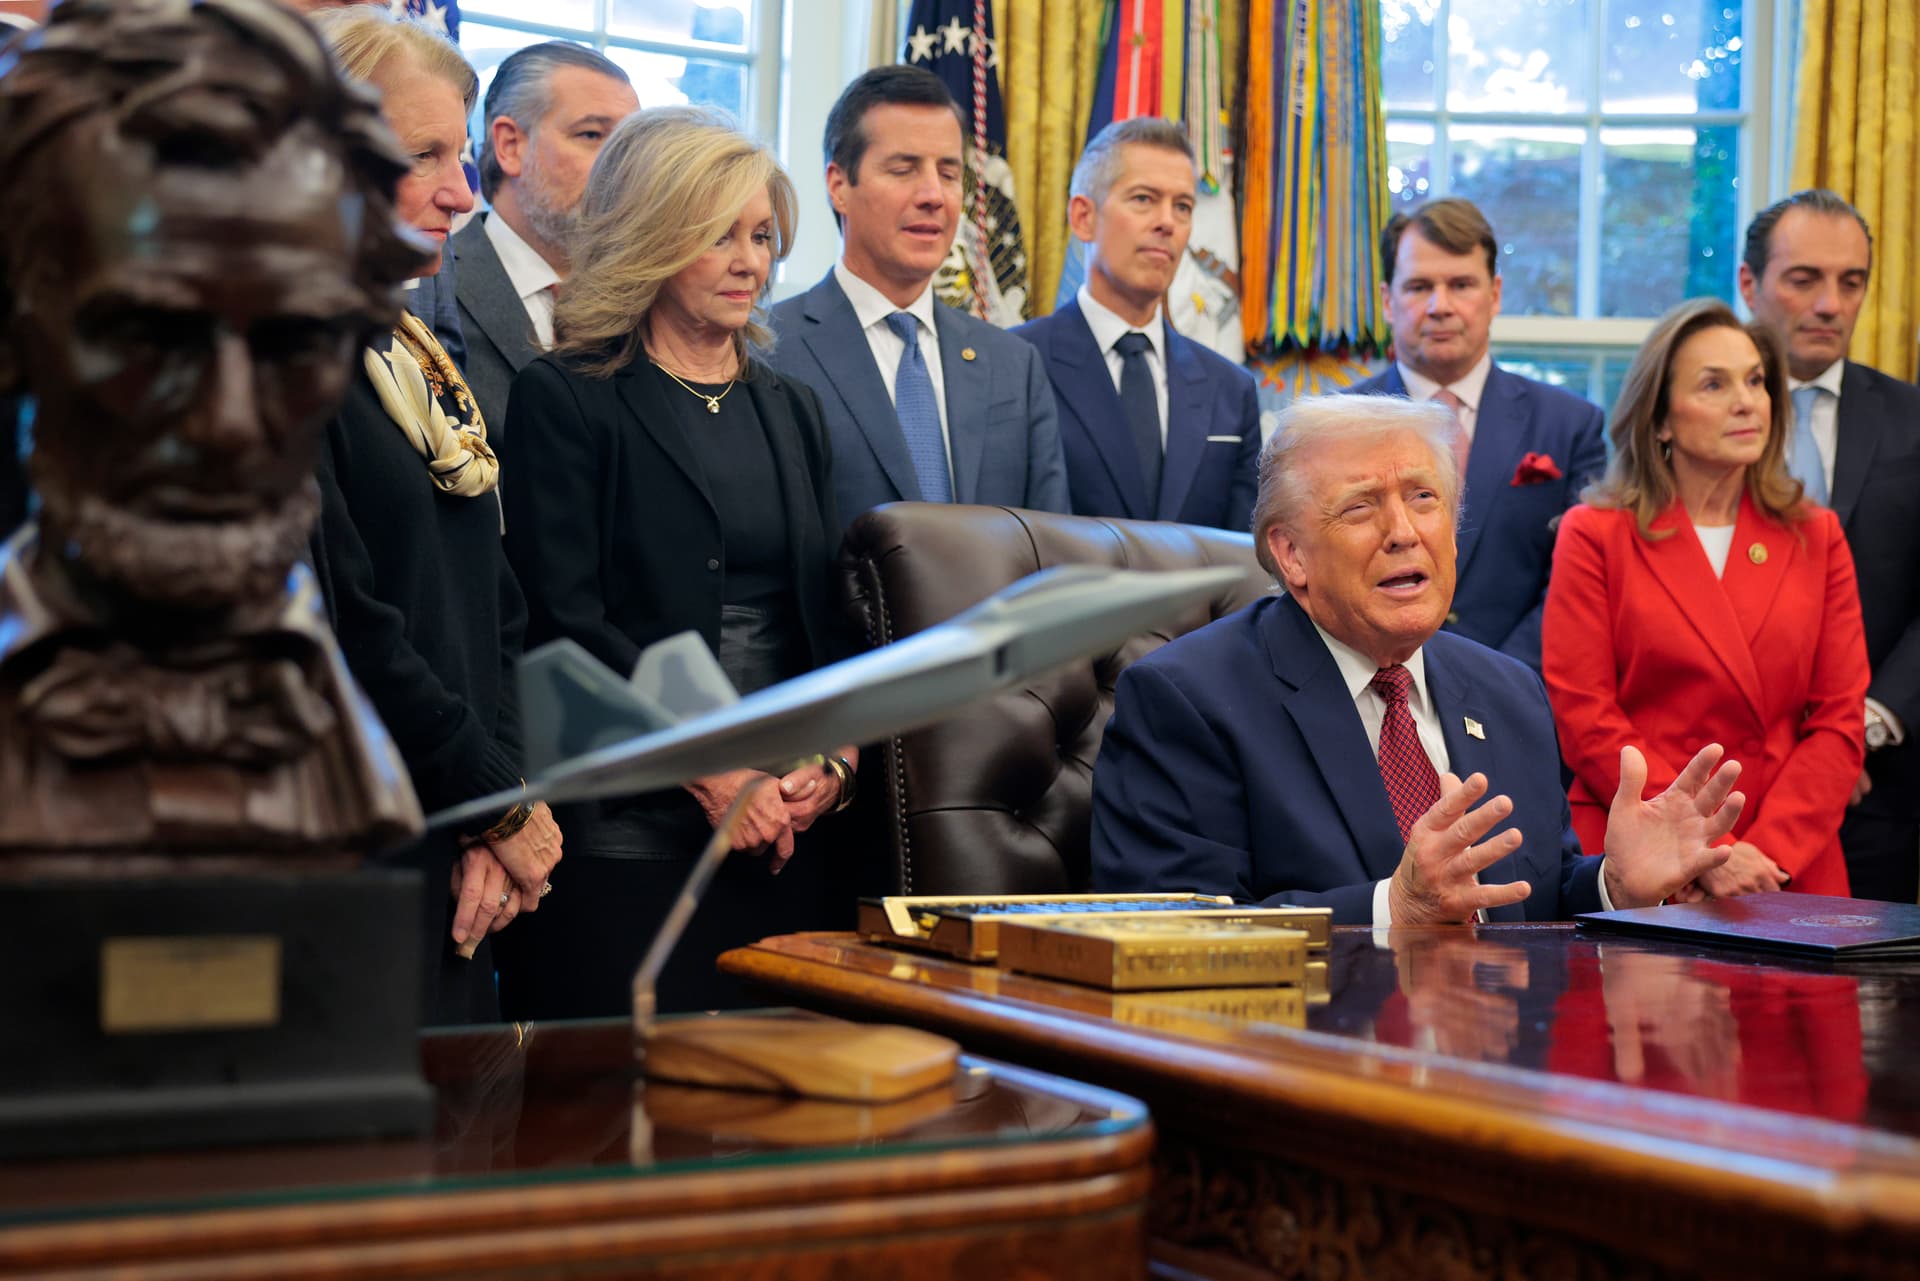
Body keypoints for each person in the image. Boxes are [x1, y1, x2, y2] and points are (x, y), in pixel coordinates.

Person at [0, 0, 418, 857]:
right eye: (151, 338)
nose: (227, 423)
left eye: (294, 344)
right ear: (16, 333)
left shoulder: (352, 757)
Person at [1090, 394, 1743, 925]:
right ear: (1290, 554)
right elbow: (1172, 930)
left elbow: (1526, 902)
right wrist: (1390, 908)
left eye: (1424, 498)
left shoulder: (1511, 691)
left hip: (1499, 1070)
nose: (1404, 531)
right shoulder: (1187, 700)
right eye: (1361, 506)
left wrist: (1612, 885)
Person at [497, 106, 860, 1017]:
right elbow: (561, 624)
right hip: (630, 829)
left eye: (763, 235)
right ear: (650, 238)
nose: (751, 261)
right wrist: (710, 771)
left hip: (786, 830)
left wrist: (834, 760)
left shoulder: (793, 406)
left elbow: (822, 616)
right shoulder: (567, 399)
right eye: (717, 236)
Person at [310, 7, 562, 1024]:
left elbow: (494, 607)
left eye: (457, 155)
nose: (462, 194)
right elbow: (348, 628)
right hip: (354, 851)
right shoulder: (273, 361)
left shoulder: (412, 347)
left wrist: (499, 801)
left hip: (459, 839)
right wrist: (492, 805)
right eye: (422, 158)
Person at [1543, 300, 1869, 899]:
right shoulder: (1594, 534)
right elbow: (1585, 715)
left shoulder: (1815, 535)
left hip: (1783, 862)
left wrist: (1765, 852)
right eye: (1714, 384)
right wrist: (1706, 848)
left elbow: (1837, 723)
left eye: (1755, 381)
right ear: (1661, 419)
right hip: (1646, 857)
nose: (1746, 401)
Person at [768, 65, 1068, 533]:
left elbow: (1053, 547)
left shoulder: (1014, 365)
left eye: (949, 173)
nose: (934, 195)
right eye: (904, 169)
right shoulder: (769, 350)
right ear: (838, 186)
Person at [1739, 190, 1920, 905]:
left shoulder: (1912, 419)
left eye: (1851, 282)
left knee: (1864, 1013)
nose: (1829, 304)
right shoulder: (1697, 421)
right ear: (1750, 285)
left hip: (1875, 787)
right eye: (1803, 278)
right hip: (1724, 781)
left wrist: (1862, 729)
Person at [1348, 199, 1605, 671]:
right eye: (1419, 286)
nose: (1439, 306)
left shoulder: (1571, 426)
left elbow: (1580, 586)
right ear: (1387, 299)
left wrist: (1497, 682)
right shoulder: (1338, 428)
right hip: (1373, 689)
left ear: (1495, 294)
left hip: (1525, 691)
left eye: (1461, 285)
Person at [1012, 118, 1259, 531]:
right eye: (1144, 199)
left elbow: (1244, 561)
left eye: (1182, 206)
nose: (1167, 222)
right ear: (1083, 217)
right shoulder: (1017, 364)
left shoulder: (1230, 391)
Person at [452, 42, 637, 433]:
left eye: (629, 144)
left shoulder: (646, 302)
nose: (622, 166)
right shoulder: (434, 292)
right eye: (591, 134)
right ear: (510, 145)